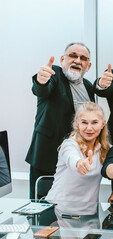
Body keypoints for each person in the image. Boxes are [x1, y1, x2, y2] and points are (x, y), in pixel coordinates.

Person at [25, 43, 95, 199]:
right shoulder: (54, 74)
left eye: (83, 58)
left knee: (70, 213)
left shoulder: (89, 87)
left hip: (77, 162)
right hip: (48, 159)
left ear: (88, 66)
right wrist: (41, 80)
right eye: (73, 56)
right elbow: (42, 89)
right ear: (63, 59)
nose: (77, 60)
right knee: (43, 214)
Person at [46, 102, 110, 215]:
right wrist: (79, 164)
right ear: (77, 123)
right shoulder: (69, 145)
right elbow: (71, 157)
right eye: (84, 122)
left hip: (89, 215)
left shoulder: (106, 149)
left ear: (102, 124)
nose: (89, 128)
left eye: (94, 122)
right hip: (58, 212)